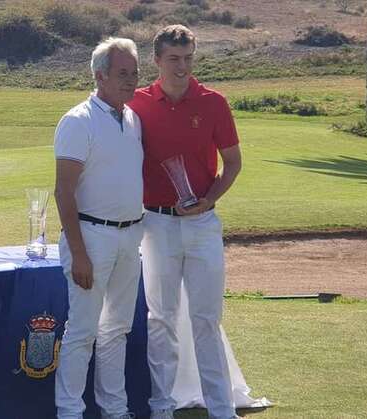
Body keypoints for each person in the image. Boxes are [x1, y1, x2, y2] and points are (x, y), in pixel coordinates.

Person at [127, 25, 243, 419]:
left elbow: (233, 163)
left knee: (206, 319)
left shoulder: (213, 102)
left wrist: (210, 198)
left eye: (188, 58)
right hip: (156, 224)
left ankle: (222, 409)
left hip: (202, 224)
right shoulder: (137, 103)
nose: (182, 66)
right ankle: (162, 406)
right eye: (174, 59)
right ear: (156, 60)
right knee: (161, 319)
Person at [54, 37, 144, 419]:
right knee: (83, 331)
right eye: (123, 73)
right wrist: (79, 253)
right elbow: (63, 192)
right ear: (100, 75)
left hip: (129, 235)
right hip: (91, 237)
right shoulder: (78, 121)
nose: (131, 80)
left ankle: (115, 409)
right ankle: (69, 412)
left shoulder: (133, 118)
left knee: (116, 329)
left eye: (135, 73)